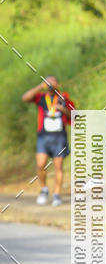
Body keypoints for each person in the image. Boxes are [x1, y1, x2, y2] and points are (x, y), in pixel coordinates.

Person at [22, 76, 75, 206]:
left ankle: (57, 194)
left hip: (59, 137)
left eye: (53, 82)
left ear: (58, 84)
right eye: (48, 82)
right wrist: (40, 86)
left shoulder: (63, 98)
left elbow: (75, 116)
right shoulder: (40, 97)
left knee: (58, 166)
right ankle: (44, 189)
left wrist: (64, 110)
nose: (51, 84)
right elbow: (25, 98)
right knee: (41, 165)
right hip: (43, 137)